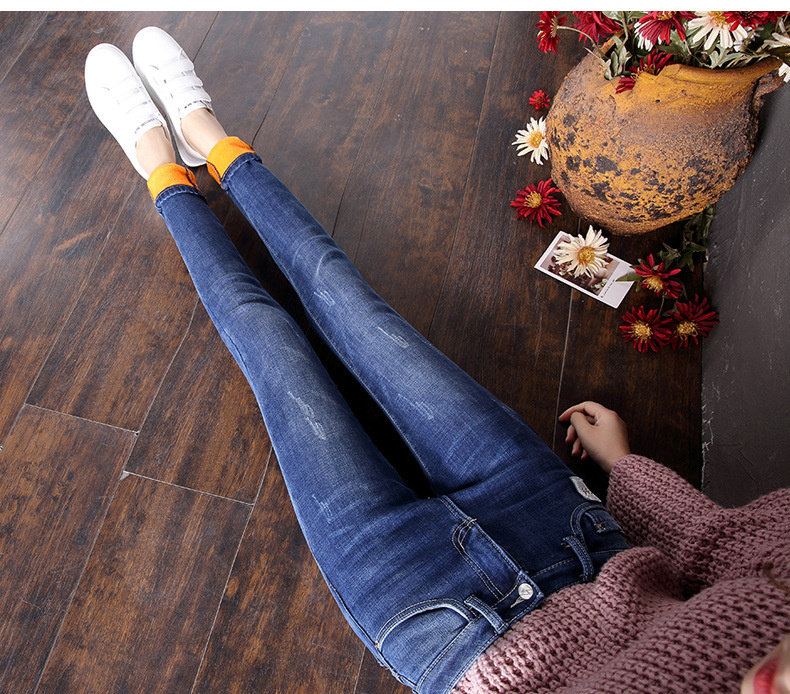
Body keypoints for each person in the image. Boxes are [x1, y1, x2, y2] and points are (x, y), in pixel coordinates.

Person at [85, 27, 789, 694]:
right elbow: (726, 544)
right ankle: (209, 138)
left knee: (272, 350)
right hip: (571, 538)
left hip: (440, 629)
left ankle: (160, 170)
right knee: (348, 299)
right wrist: (625, 469)